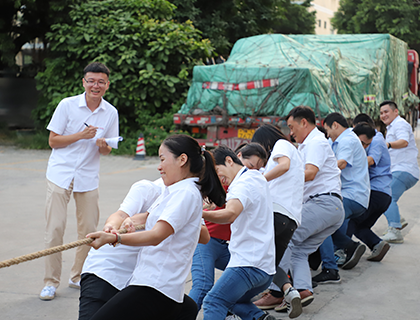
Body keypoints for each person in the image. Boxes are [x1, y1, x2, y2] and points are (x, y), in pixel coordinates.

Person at [86, 134, 226, 320]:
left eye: (162, 159)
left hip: (156, 287)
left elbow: (157, 235)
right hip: (152, 285)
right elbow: (149, 219)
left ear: (182, 159)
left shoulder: (185, 193)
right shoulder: (176, 191)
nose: (159, 167)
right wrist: (127, 223)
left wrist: (115, 238)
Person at [40, 62, 119, 301]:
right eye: (91, 81)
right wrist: (81, 136)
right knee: (55, 228)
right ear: (84, 82)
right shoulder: (67, 105)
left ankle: (78, 276)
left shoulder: (110, 112)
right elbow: (53, 141)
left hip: (87, 176)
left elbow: (108, 150)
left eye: (101, 82)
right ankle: (50, 282)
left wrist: (103, 146)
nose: (96, 85)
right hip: (60, 174)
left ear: (107, 84)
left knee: (88, 232)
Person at [270, 106, 345, 313]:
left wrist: (280, 180)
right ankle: (303, 291)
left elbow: (310, 173)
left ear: (304, 122)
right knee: (299, 250)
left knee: (286, 241)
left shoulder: (315, 141)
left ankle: (276, 292)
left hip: (322, 203)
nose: (291, 133)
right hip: (331, 207)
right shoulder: (307, 145)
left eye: (292, 127)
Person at [189, 143, 267, 315]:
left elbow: (230, 213)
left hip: (246, 262)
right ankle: (259, 317)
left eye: (217, 171)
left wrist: (197, 212)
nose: (218, 177)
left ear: (230, 161)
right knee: (224, 296)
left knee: (212, 300)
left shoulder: (242, 184)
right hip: (262, 265)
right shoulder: (257, 177)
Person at [78, 178, 164, 320]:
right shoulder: (148, 189)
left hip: (136, 282)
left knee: (186, 308)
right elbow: (121, 215)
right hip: (105, 272)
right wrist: (111, 227)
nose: (160, 166)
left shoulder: (184, 196)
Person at [250, 124, 304, 318]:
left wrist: (259, 180)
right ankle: (290, 292)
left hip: (277, 213)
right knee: (268, 264)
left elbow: (284, 165)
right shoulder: (295, 153)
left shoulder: (282, 145)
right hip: (291, 219)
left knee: (254, 257)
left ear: (266, 141)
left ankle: (235, 301)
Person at [316, 112, 370, 281]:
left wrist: (315, 174)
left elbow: (341, 163)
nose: (328, 134)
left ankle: (330, 269)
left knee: (321, 224)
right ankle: (349, 246)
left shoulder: (347, 140)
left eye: (328, 130)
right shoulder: (338, 141)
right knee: (327, 225)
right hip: (351, 195)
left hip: (352, 195)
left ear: (335, 125)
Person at [350, 118, 392, 261]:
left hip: (376, 192)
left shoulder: (376, 140)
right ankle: (377, 244)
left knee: (350, 219)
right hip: (383, 194)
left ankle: (345, 250)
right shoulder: (375, 139)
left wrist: (348, 163)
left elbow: (370, 160)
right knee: (360, 227)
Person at [379, 100, 419, 243]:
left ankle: (395, 230)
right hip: (399, 169)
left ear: (396, 111)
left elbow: (404, 141)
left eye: (386, 112)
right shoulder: (391, 127)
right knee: (380, 194)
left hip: (404, 169)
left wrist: (388, 144)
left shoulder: (400, 124)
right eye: (381, 113)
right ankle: (398, 220)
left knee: (386, 196)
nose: (383, 115)